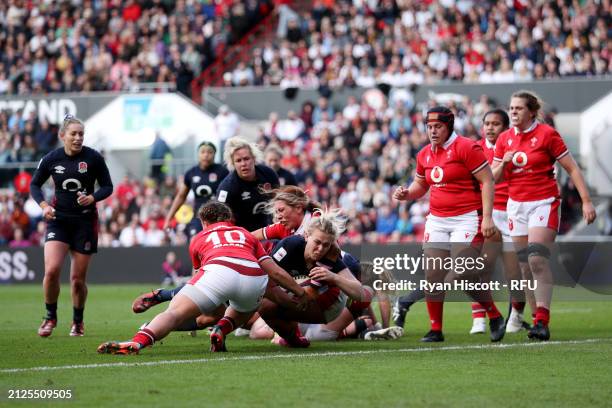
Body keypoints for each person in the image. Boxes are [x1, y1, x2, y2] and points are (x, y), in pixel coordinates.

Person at [97, 201, 307, 354]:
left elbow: (198, 280)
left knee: (174, 314)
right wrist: (301, 293)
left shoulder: (199, 238)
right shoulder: (245, 234)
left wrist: (171, 298)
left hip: (217, 272)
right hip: (253, 279)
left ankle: (138, 342)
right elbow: (275, 272)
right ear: (228, 220)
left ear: (203, 222)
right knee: (244, 309)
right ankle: (221, 329)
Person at [393, 106, 505, 343]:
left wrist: (486, 217)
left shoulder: (467, 147)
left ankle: (494, 315)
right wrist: (406, 194)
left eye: (438, 127)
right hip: (437, 219)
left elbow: (487, 180)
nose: (433, 131)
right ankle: (435, 329)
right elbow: (421, 185)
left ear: (449, 126)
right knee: (433, 274)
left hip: (467, 218)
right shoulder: (424, 154)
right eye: (429, 126)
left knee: (462, 272)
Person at [492, 90, 596, 341]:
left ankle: (542, 320)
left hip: (543, 202)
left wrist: (586, 201)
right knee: (525, 267)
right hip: (515, 206)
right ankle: (537, 320)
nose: (513, 112)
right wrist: (503, 164)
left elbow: (571, 167)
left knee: (537, 260)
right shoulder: (504, 139)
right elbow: (493, 180)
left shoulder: (547, 134)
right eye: (511, 108)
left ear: (531, 112)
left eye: (518, 108)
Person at [30, 114, 113, 337]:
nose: (78, 138)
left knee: (77, 280)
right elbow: (34, 185)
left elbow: (107, 187)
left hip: (85, 222)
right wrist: (44, 205)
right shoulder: (51, 158)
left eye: (81, 134)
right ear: (62, 135)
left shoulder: (93, 158)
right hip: (58, 220)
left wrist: (93, 198)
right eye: (73, 134)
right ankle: (50, 317)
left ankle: (77, 321)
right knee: (51, 270)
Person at [258, 208, 370, 347]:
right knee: (261, 301)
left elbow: (360, 294)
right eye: (317, 242)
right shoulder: (290, 246)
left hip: (330, 305)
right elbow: (264, 277)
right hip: (304, 296)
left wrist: (334, 277)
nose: (321, 249)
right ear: (306, 235)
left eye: (326, 245)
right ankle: (294, 341)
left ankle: (359, 324)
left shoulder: (332, 255)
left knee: (266, 306)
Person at [471, 109, 535, 334]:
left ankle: (516, 315)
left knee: (514, 273)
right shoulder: (474, 149)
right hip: (487, 215)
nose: (490, 128)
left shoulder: (516, 147)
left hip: (510, 213)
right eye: (487, 123)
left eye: (496, 124)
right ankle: (479, 317)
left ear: (506, 127)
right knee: (480, 269)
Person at [163, 141, 228, 239]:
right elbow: (181, 196)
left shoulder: (222, 171)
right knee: (194, 241)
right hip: (199, 217)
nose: (206, 155)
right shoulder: (191, 173)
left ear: (214, 154)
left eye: (210, 152)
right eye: (203, 152)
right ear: (198, 154)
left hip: (219, 217)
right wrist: (169, 218)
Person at [216, 136, 279, 231]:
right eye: (238, 160)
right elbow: (220, 220)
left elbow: (279, 200)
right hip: (243, 236)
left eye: (246, 159)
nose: (243, 164)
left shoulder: (268, 174)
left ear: (253, 158)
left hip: (271, 229)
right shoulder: (227, 188)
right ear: (233, 164)